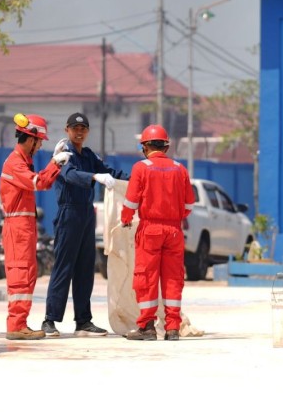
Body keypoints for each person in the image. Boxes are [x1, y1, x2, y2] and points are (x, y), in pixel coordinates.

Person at [42, 112, 128, 338]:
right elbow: (70, 175)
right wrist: (94, 178)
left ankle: (83, 321)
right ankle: (50, 320)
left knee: (85, 269)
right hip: (69, 213)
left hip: (86, 214)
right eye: (75, 128)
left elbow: (110, 172)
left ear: (87, 131)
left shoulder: (89, 155)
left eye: (83, 129)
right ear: (67, 130)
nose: (79, 132)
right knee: (63, 267)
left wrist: (136, 177)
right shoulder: (63, 154)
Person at [1, 113, 71, 340]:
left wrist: (55, 163)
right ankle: (15, 325)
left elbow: (44, 182)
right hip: (17, 227)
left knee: (28, 274)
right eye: (39, 141)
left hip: (25, 226)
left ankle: (20, 323)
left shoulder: (23, 162)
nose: (40, 145)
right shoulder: (14, 163)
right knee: (20, 274)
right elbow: (39, 183)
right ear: (30, 139)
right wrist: (55, 162)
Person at [121, 125, 194, 340]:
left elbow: (131, 201)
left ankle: (147, 327)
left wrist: (125, 219)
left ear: (145, 146)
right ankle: (172, 328)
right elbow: (189, 205)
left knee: (146, 278)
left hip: (150, 229)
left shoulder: (141, 168)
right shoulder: (180, 169)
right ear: (167, 146)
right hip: (173, 230)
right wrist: (174, 217)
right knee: (173, 279)